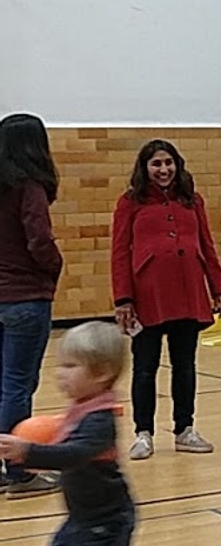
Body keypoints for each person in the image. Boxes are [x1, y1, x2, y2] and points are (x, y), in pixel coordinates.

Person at [111, 139, 221, 461]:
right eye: (156, 164)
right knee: (145, 367)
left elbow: (206, 245)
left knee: (185, 365)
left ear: (177, 165)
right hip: (147, 298)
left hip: (188, 293)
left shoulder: (193, 202)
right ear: (145, 168)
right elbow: (120, 253)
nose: (163, 170)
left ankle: (185, 430)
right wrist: (123, 299)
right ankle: (143, 434)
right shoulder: (129, 203)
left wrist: (219, 288)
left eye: (168, 163)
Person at [0, 322, 135, 544]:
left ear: (102, 372)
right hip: (83, 517)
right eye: (60, 365)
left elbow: (74, 454)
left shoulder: (100, 419)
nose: (60, 373)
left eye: (70, 366)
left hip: (105, 521)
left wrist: (29, 451)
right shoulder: (83, 406)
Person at [0, 112, 64, 498]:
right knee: (17, 387)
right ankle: (19, 472)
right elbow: (39, 240)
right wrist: (55, 267)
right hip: (25, 297)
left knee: (3, 386)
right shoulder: (30, 186)